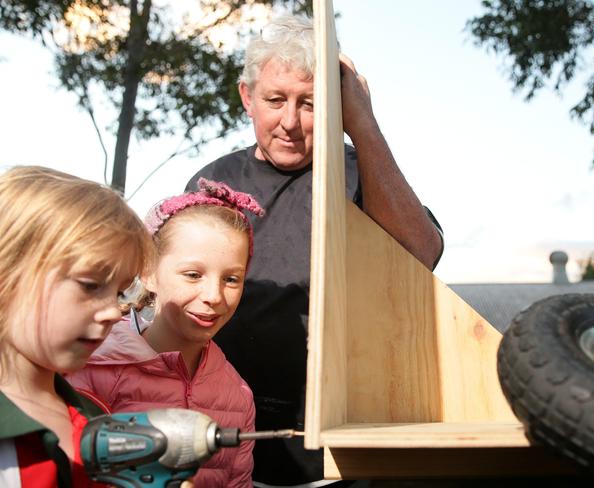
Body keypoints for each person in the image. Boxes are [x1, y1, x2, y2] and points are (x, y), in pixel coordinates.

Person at [186, 15, 444, 486]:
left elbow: (419, 254)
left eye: (309, 104)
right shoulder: (214, 183)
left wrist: (362, 123)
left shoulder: (359, 173)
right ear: (247, 97)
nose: (290, 122)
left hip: (338, 450)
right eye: (275, 100)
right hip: (229, 442)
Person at [68, 179, 264, 487]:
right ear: (148, 272)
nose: (214, 295)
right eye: (193, 275)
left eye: (231, 279)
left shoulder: (237, 396)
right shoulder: (91, 369)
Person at [0, 166, 152, 487]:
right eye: (90, 285)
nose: (114, 311)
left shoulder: (97, 417)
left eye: (121, 292)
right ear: (7, 270)